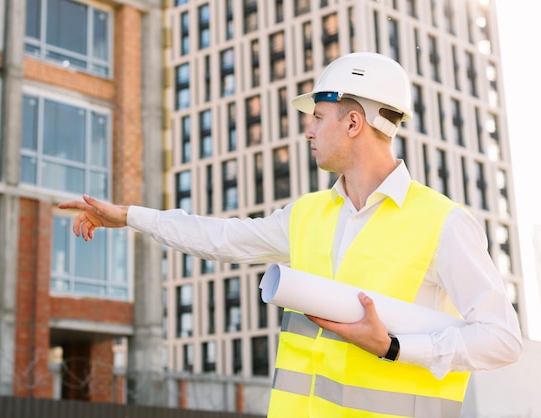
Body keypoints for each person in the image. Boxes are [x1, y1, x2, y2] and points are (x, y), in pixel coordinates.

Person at [59, 52, 522, 417]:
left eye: (318, 117)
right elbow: (222, 239)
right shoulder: (309, 214)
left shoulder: (442, 221)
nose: (308, 130)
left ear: (354, 122)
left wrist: (395, 347)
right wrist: (129, 216)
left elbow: (501, 339)